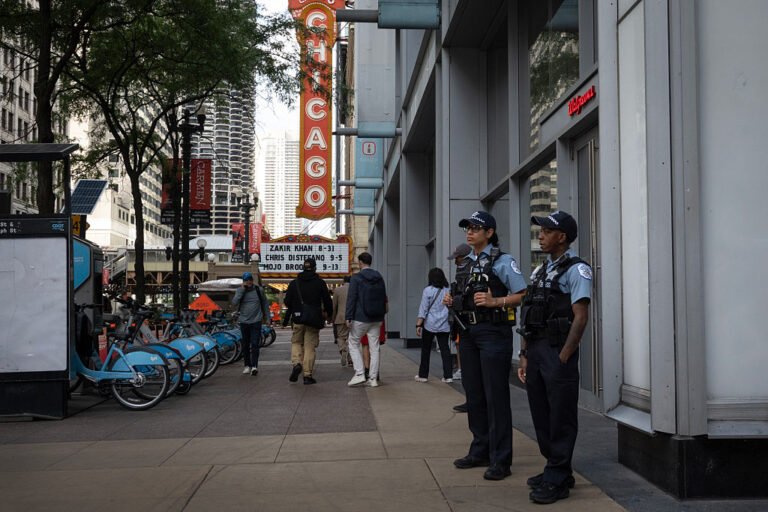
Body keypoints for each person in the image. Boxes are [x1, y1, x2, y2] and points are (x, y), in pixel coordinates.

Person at [443, 211, 527, 481]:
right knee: (474, 394)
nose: (470, 232)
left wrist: (496, 302)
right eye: (467, 228)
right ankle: (480, 449)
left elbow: (523, 295)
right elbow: (464, 293)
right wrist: (453, 299)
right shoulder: (466, 262)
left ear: (489, 233)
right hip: (468, 333)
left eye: (476, 228)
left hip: (493, 332)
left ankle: (501, 459)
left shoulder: (503, 261)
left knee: (495, 395)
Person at [517, 211, 591, 504]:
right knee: (541, 412)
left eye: (547, 231)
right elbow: (528, 313)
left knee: (561, 415)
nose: (541, 235)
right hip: (536, 350)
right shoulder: (540, 271)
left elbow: (581, 317)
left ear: (562, 237)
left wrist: (564, 355)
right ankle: (557, 468)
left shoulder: (577, 270)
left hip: (556, 351)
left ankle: (558, 477)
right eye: (541, 230)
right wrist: (524, 354)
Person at [282, 258, 333, 385]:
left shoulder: (294, 283)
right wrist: (329, 315)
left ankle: (296, 363)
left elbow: (287, 302)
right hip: (313, 319)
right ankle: (307, 375)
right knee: (310, 346)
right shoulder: (320, 282)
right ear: (315, 268)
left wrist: (296, 306)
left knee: (296, 342)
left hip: (298, 318)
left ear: (303, 267)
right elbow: (327, 301)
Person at [345, 252, 387, 388]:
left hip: (361, 317)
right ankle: (373, 378)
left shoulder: (356, 277)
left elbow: (352, 298)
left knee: (353, 342)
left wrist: (348, 316)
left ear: (360, 263)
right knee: (375, 348)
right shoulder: (379, 276)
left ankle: (359, 373)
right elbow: (384, 296)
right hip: (377, 317)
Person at [447, 242, 473, 412]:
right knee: (468, 369)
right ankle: (471, 400)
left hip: (473, 325)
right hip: (463, 323)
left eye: (457, 258)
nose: (455, 262)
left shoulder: (473, 269)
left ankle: (475, 402)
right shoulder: (461, 272)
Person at [415, 268, 452, 383]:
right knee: (445, 349)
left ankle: (423, 375)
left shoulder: (427, 290)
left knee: (426, 350)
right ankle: (448, 376)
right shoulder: (448, 290)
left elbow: (423, 309)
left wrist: (418, 325)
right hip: (444, 324)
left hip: (429, 324)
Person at [232, 272, 270, 376]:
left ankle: (254, 366)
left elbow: (265, 304)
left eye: (250, 279)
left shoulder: (259, 290)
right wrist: (242, 290)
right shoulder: (240, 290)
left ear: (252, 280)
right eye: (246, 280)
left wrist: (268, 318)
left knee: (255, 343)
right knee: (245, 344)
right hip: (244, 321)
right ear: (243, 281)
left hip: (256, 321)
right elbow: (234, 303)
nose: (248, 281)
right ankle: (247, 366)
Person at [332, 275, 352, 366]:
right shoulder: (355, 289)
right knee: (352, 339)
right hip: (352, 318)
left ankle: (343, 350)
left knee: (341, 337)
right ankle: (350, 358)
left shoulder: (338, 290)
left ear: (343, 281)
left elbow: (334, 306)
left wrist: (332, 318)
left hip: (340, 317)